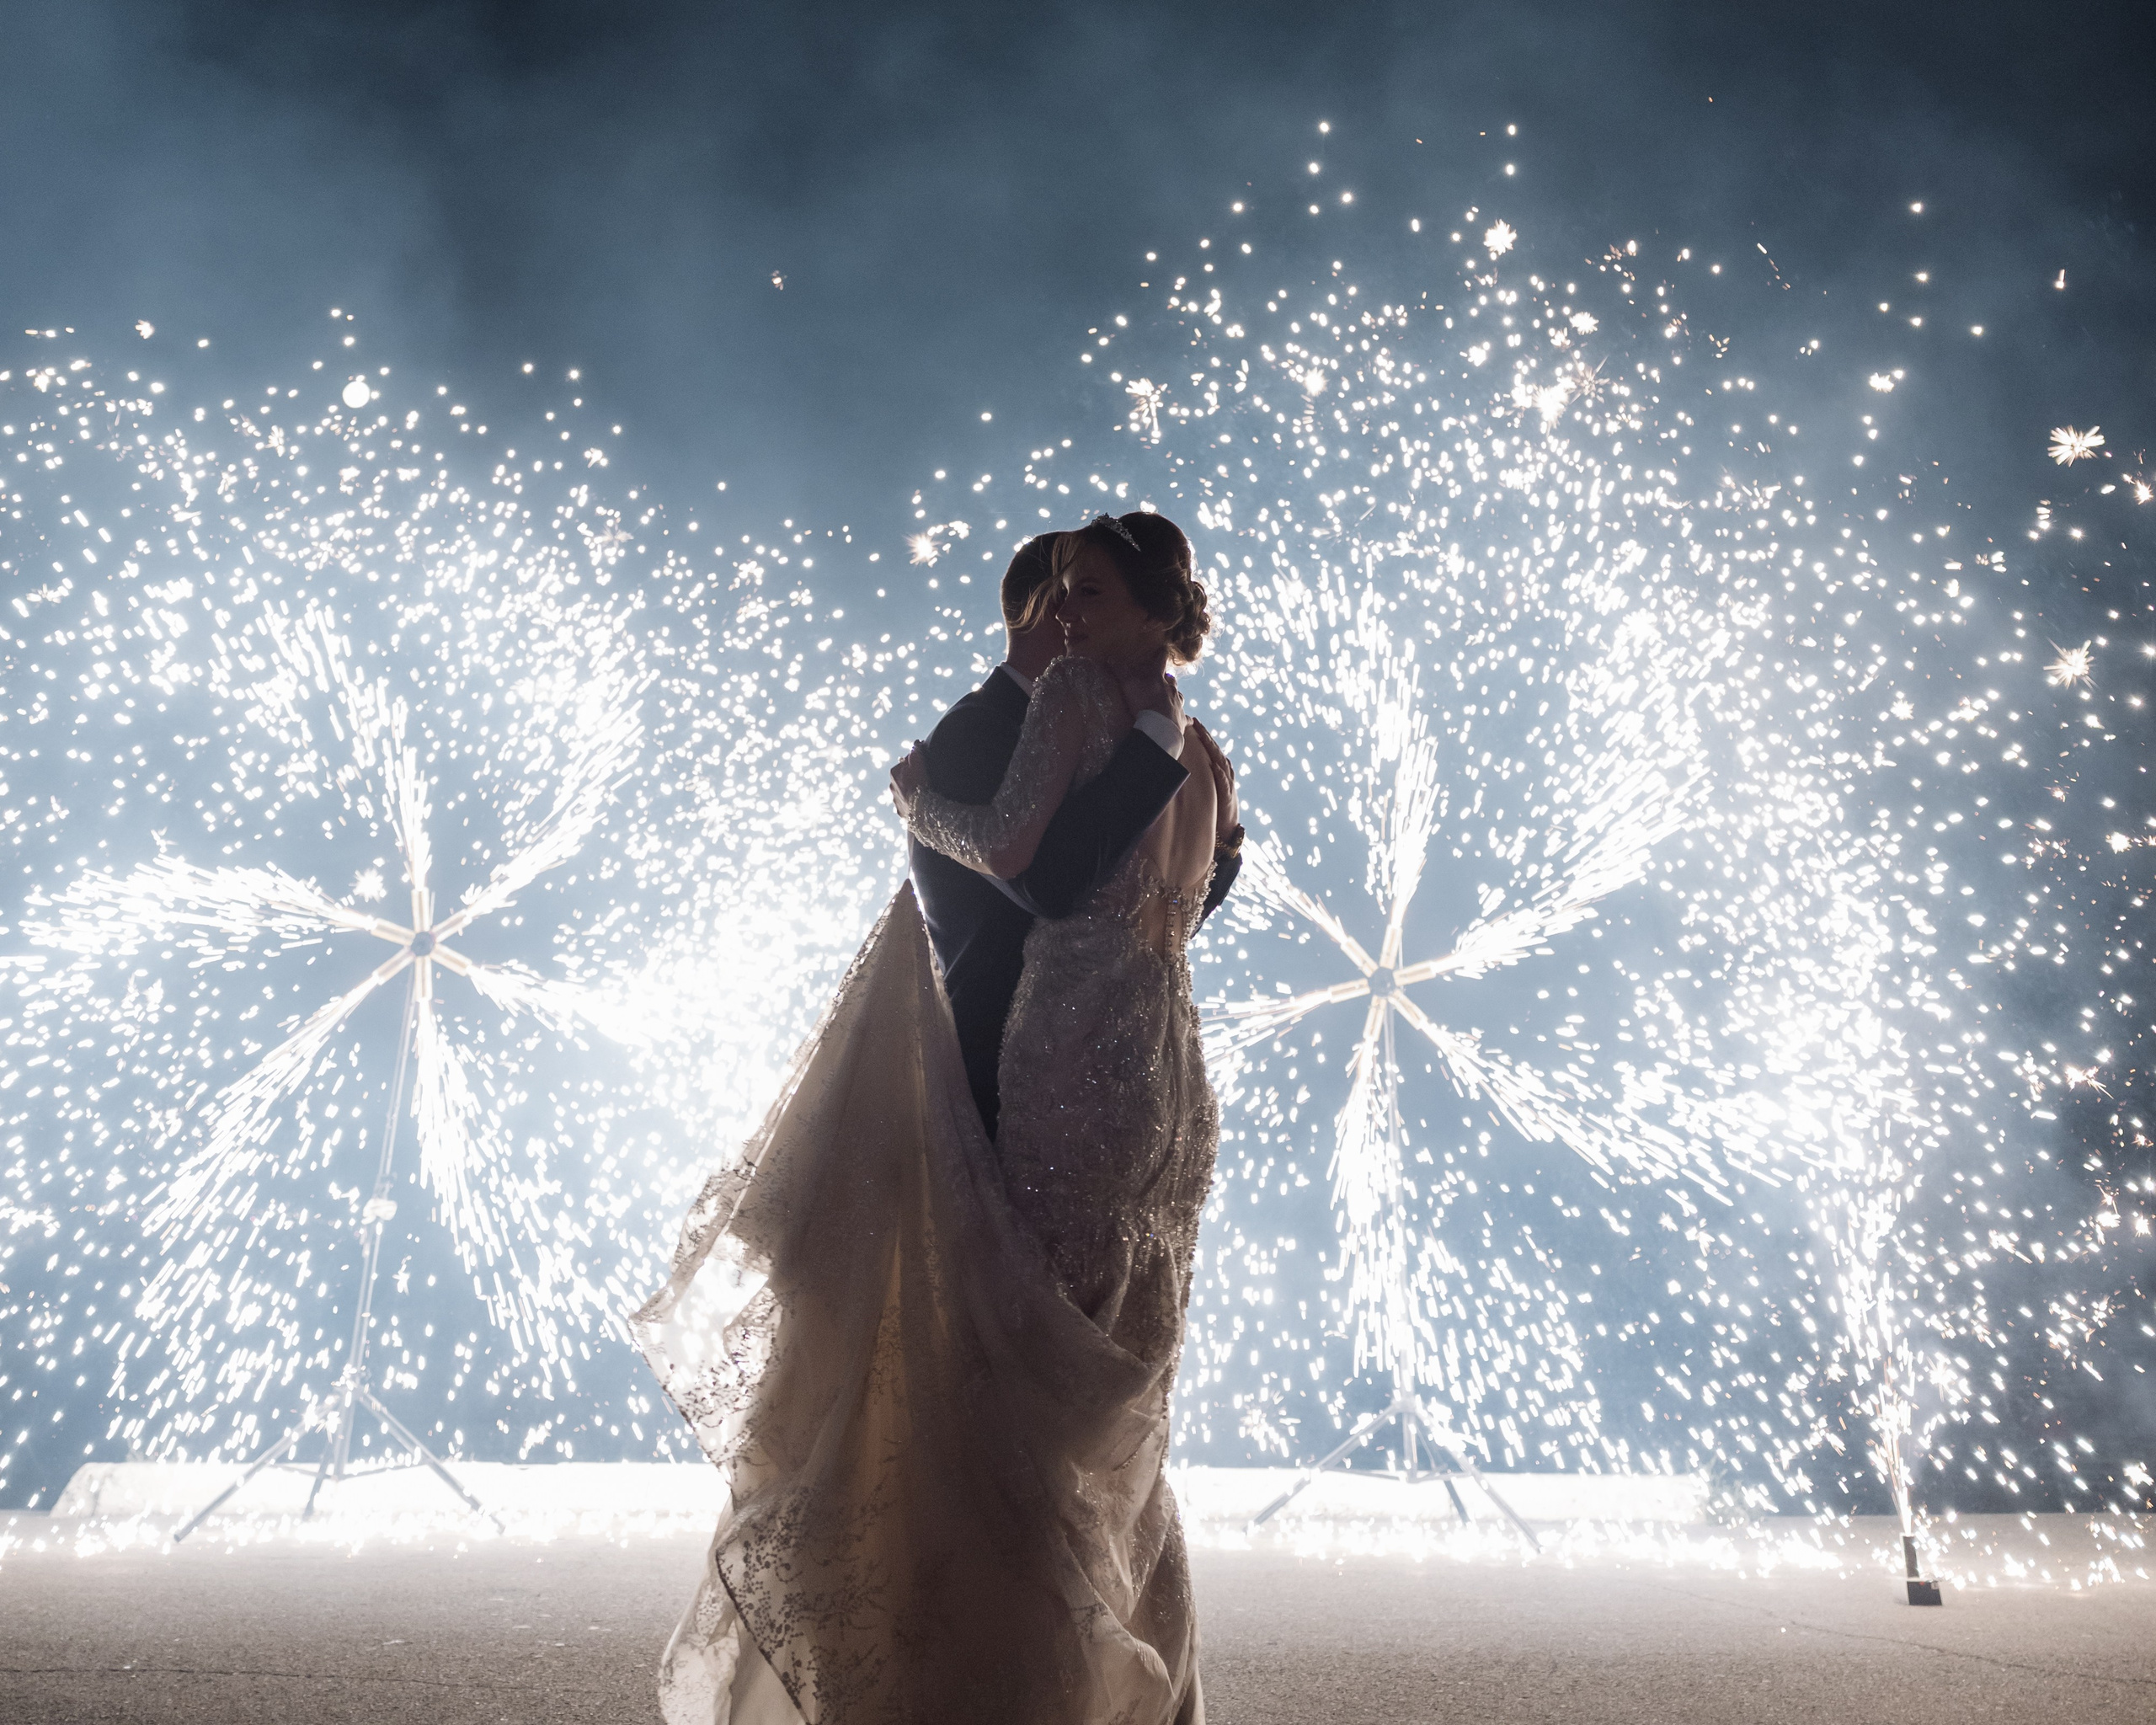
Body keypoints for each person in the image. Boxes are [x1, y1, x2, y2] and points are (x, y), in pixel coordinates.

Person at [635, 511, 1235, 1725]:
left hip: (1067, 1064)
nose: (1065, 621)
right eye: (1057, 595)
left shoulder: (1072, 705)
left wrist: (914, 801)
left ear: (1153, 610)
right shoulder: (1205, 750)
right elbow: (1199, 888)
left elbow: (1029, 864)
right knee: (1111, 1381)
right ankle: (1122, 1668)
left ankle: (1025, 1678)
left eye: (1090, 596)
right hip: (1168, 1076)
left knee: (1022, 1380)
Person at [908, 534, 1241, 1139]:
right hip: (1002, 1070)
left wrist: (1225, 844)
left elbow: (1149, 907)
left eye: (1090, 592)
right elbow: (1049, 882)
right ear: (1042, 607)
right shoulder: (976, 731)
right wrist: (921, 810)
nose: (1074, 615)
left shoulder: (1121, 727)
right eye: (1071, 592)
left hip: (1120, 1064)